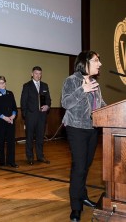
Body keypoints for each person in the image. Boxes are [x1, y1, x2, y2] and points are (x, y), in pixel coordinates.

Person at [61, 50, 106, 221]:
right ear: (85, 62)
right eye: (96, 60)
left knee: (85, 166)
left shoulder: (95, 83)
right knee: (79, 167)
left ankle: (83, 195)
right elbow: (65, 103)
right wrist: (82, 89)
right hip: (76, 128)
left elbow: (101, 104)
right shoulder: (71, 80)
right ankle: (76, 207)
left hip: (93, 129)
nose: (99, 64)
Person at [20, 66, 51, 165]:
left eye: (40, 73)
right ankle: (30, 157)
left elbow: (48, 99)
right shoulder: (27, 86)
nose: (38, 75)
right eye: (36, 73)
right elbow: (23, 101)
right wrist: (25, 116)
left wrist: (47, 106)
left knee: (40, 137)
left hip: (42, 116)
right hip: (30, 116)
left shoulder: (45, 85)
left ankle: (40, 156)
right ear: (32, 74)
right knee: (29, 137)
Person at [0, 76, 18, 168]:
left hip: (11, 121)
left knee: (11, 142)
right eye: (1, 83)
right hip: (0, 122)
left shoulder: (10, 93)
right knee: (0, 141)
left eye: (4, 82)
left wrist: (13, 116)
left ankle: (11, 161)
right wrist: (5, 117)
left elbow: (14, 107)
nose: (3, 84)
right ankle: (2, 161)